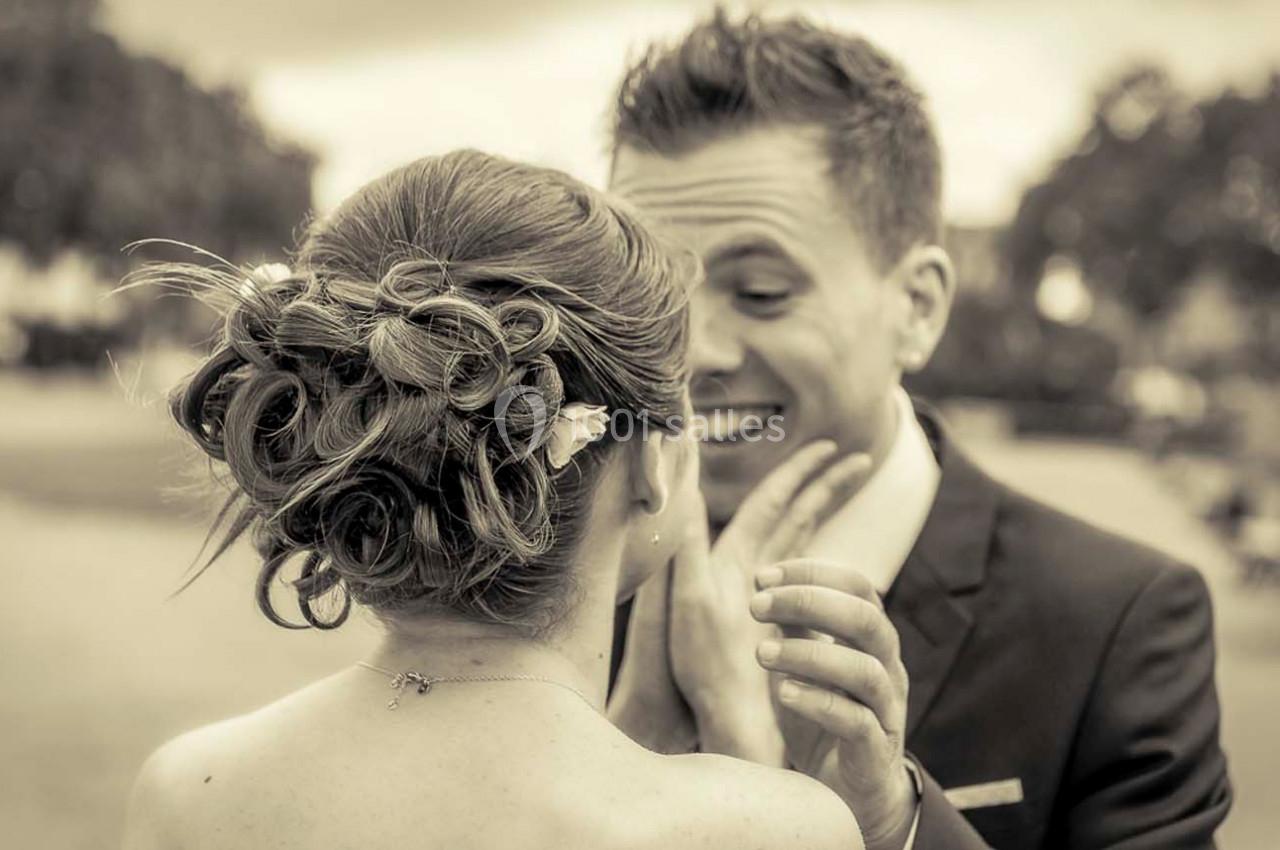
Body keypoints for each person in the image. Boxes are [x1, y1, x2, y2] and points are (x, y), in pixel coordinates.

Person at [606, 10, 1232, 850]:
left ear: (919, 307)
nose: (694, 351)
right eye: (650, 298)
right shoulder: (549, 595)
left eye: (760, 293)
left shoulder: (1116, 623)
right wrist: (618, 770)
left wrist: (890, 826)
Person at [121, 150, 868, 850]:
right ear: (654, 460)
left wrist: (638, 727)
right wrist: (745, 747)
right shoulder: (775, 828)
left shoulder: (186, 794)